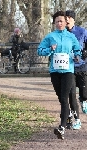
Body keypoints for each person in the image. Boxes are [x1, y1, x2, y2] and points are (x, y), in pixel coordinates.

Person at [37, 10, 81, 140]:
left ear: (65, 22)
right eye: (57, 21)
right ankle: (67, 116)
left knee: (63, 97)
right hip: (55, 72)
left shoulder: (71, 37)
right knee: (60, 98)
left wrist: (77, 56)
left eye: (61, 21)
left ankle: (61, 127)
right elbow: (40, 51)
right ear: (54, 23)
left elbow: (77, 50)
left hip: (68, 71)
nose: (59, 23)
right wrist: (50, 50)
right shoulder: (50, 37)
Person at [65, 10, 87, 129]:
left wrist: (85, 53)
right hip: (68, 68)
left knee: (84, 93)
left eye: (69, 17)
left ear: (73, 19)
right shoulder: (61, 33)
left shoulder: (82, 31)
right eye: (65, 18)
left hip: (82, 66)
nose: (67, 20)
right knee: (71, 95)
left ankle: (83, 99)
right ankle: (77, 120)